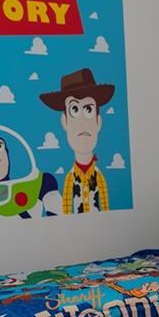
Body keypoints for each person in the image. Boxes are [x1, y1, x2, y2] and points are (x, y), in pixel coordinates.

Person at [40, 68, 115, 214]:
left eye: (88, 110)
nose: (82, 122)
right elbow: (66, 209)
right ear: (65, 121)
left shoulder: (99, 177)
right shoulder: (70, 178)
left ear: (98, 121)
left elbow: (106, 206)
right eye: (74, 110)